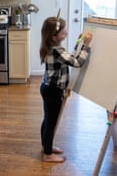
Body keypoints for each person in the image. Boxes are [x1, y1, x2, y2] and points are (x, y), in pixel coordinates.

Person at [39, 11, 93, 163]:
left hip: (48, 88)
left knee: (48, 119)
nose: (67, 32)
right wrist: (86, 46)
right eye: (63, 32)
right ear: (53, 36)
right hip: (53, 91)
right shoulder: (57, 50)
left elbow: (70, 58)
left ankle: (46, 146)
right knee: (51, 122)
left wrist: (79, 44)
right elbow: (77, 62)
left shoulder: (53, 47)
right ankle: (48, 154)